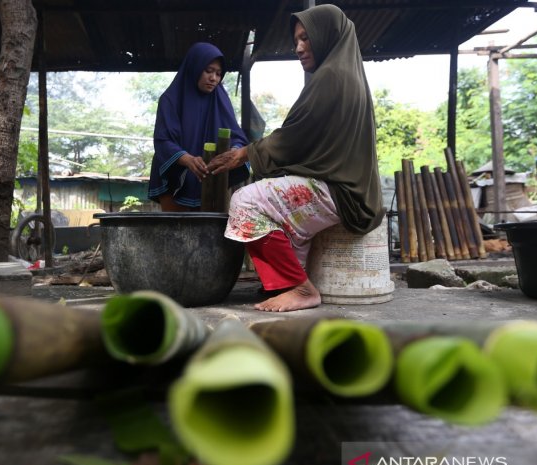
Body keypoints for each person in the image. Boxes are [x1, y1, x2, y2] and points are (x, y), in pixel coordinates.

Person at [207, 4, 384, 312]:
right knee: (279, 207)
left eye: (306, 38)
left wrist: (247, 153)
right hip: (350, 189)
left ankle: (301, 289)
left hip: (340, 191)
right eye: (297, 40)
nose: (299, 48)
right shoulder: (346, 74)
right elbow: (310, 139)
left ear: (326, 35)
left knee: (245, 202)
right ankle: (289, 283)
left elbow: (295, 137)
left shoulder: (331, 77)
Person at [148, 42, 249, 211]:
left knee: (208, 232)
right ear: (194, 67)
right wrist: (188, 159)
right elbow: (163, 140)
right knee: (175, 233)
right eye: (208, 71)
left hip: (209, 178)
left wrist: (235, 150)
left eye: (218, 73)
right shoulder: (170, 99)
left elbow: (237, 136)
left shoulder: (221, 100)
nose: (213, 78)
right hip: (175, 175)